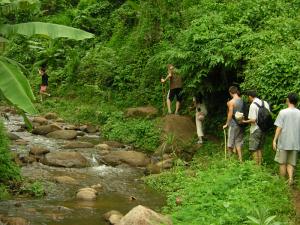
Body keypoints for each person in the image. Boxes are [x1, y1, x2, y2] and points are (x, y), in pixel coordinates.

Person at [273, 93, 300, 185]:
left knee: (282, 163)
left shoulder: (283, 112)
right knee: (291, 163)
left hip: (284, 142)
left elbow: (279, 127)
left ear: (288, 100)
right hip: (295, 142)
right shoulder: (299, 113)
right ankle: (291, 179)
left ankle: (282, 182)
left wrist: (274, 140)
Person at [243, 90, 270, 165]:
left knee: (253, 149)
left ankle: (256, 167)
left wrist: (244, 121)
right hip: (264, 129)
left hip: (256, 129)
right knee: (260, 148)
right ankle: (260, 166)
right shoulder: (265, 103)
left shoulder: (253, 105)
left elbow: (253, 120)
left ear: (250, 96)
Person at [223, 86, 244, 162]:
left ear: (230, 93)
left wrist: (227, 124)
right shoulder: (241, 100)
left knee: (230, 144)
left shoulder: (231, 102)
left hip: (233, 124)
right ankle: (240, 160)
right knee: (238, 142)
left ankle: (230, 162)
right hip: (241, 124)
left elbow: (230, 114)